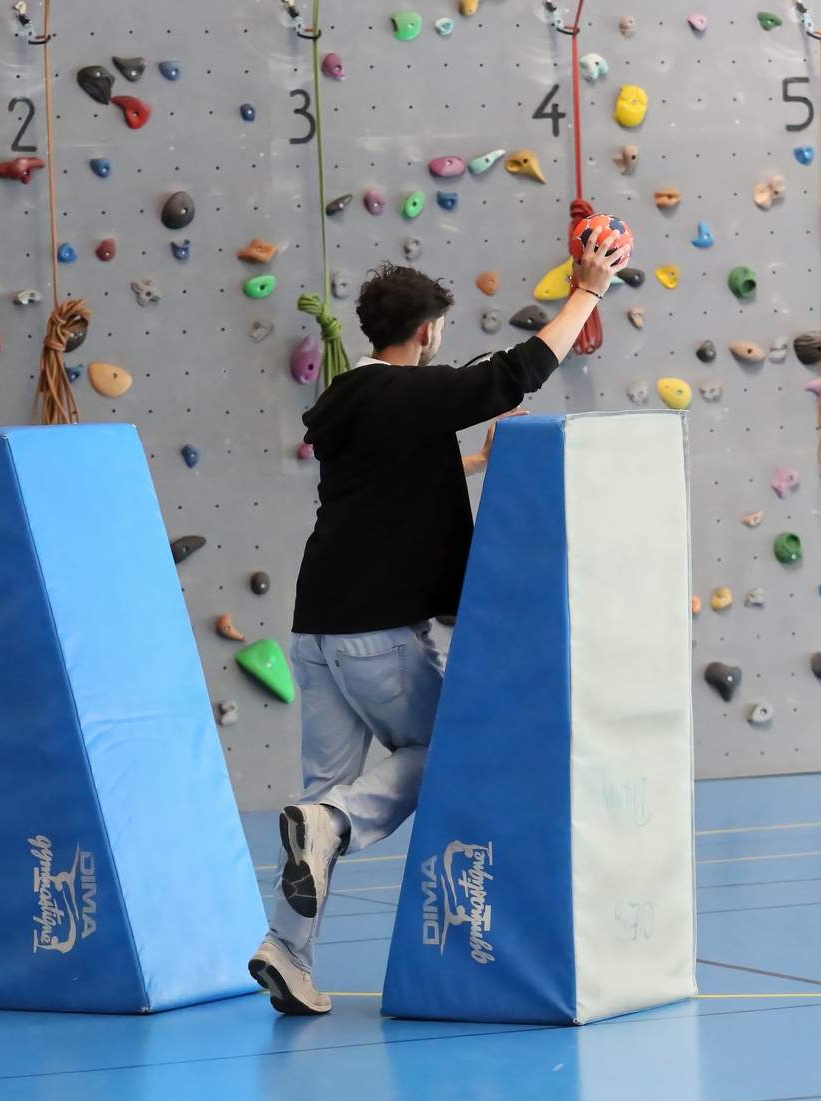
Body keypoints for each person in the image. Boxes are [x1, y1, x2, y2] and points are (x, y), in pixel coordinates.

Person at [246, 228, 629, 1015]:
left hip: (315, 629)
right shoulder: (410, 391)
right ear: (427, 330)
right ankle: (333, 824)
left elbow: (383, 479)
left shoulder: (346, 399)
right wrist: (586, 291)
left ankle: (286, 952)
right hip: (380, 630)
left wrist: (471, 465)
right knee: (445, 748)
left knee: (324, 793)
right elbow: (518, 373)